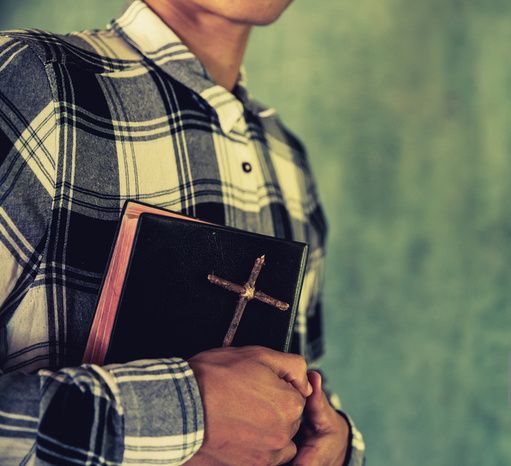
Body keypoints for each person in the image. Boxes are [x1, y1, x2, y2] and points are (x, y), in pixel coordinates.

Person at [0, 0, 365, 464]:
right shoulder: (29, 84)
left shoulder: (289, 162)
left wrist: (336, 445)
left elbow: (305, 385)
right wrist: (185, 418)